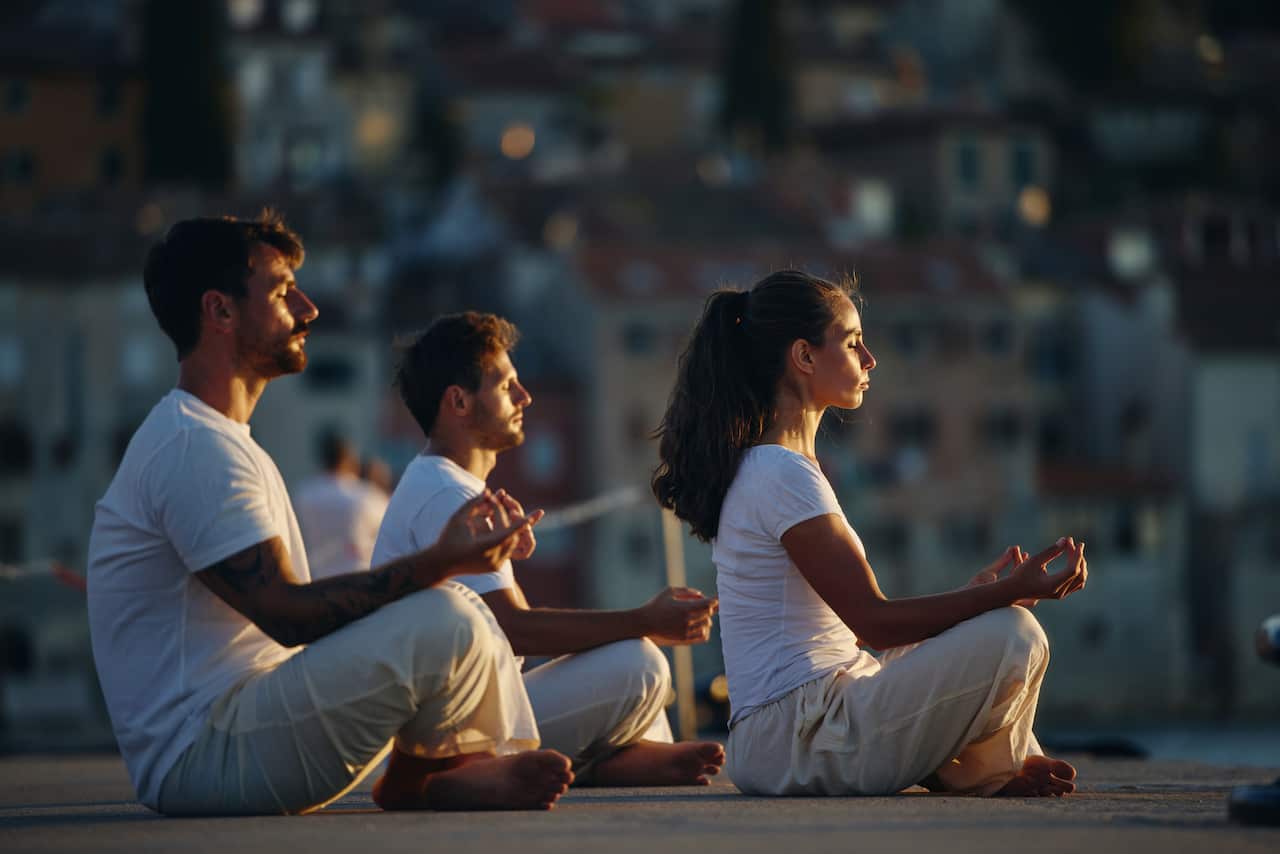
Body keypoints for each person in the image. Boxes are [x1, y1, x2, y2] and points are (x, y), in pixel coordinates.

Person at [87, 213, 573, 816]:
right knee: (449, 611)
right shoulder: (194, 446)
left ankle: (442, 772)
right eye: (283, 291)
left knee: (462, 606)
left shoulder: (221, 440)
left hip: (247, 728)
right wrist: (440, 561)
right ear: (220, 311)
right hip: (203, 757)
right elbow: (287, 616)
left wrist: (447, 565)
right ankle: (444, 773)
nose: (310, 308)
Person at [651, 270, 1088, 798]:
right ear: (804, 357)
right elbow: (875, 623)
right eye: (854, 342)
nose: (870, 359)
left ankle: (972, 769)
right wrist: (1002, 595)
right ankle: (977, 770)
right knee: (1016, 632)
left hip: (799, 724)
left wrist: (974, 598)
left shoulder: (776, 468)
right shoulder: (780, 473)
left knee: (992, 626)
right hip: (797, 734)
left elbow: (846, 634)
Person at [372, 312, 726, 786]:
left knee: (628, 659)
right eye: (506, 386)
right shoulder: (446, 493)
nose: (525, 397)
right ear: (458, 401)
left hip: (473, 706)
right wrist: (646, 621)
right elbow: (514, 629)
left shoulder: (443, 485)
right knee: (638, 662)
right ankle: (604, 763)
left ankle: (616, 758)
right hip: (451, 731)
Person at [295, 431, 390, 579]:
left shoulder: (303, 494)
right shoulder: (368, 496)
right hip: (360, 581)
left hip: (316, 581)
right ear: (350, 459)